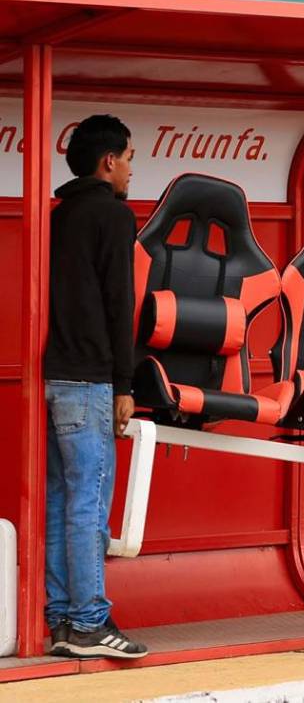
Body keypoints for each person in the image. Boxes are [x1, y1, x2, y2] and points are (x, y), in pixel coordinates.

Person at [43, 115, 148, 659]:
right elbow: (118, 303)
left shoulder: (60, 216)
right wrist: (125, 382)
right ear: (109, 161)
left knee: (61, 499)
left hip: (54, 376)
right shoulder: (113, 214)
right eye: (129, 157)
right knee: (89, 503)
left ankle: (61, 620)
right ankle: (89, 622)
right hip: (89, 381)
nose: (131, 168)